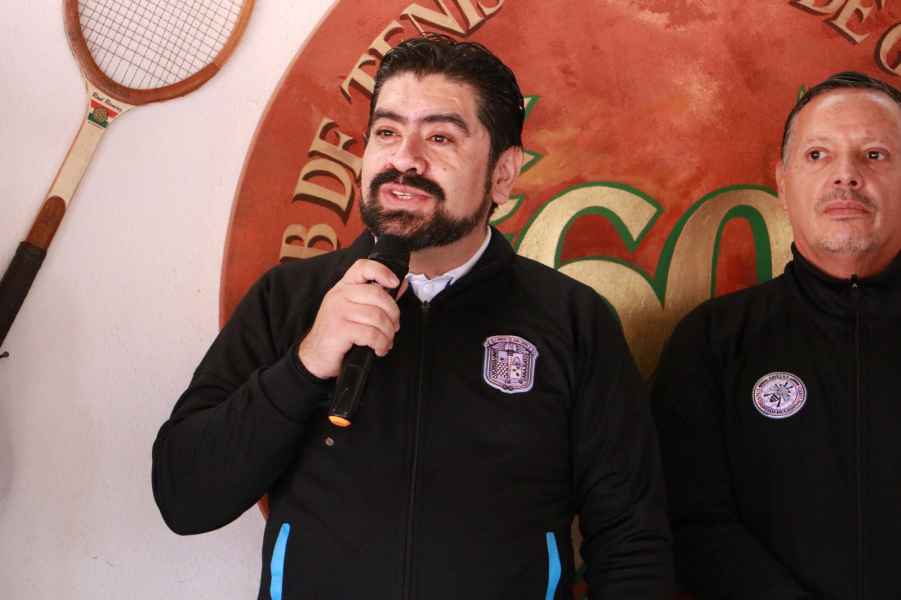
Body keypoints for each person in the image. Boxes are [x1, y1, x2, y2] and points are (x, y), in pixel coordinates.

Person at [153, 35, 672, 599]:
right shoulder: (288, 298)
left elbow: (632, 543)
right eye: (387, 132)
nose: (404, 159)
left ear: (502, 173)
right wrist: (305, 366)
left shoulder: (573, 321)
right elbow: (185, 498)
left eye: (440, 137)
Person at [651, 71, 901, 599]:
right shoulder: (712, 342)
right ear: (783, 184)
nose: (846, 176)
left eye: (875, 155)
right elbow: (691, 523)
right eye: (818, 155)